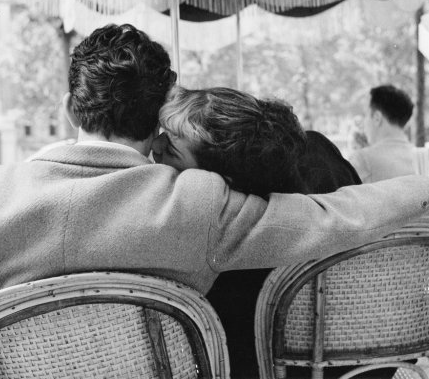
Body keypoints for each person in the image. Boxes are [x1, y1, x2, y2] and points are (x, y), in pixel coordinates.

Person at [0, 23, 429, 303]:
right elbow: (334, 217)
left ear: (70, 110)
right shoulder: (199, 203)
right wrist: (427, 190)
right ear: (158, 121)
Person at [154, 85, 362, 377]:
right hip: (363, 357)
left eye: (173, 149)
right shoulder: (320, 154)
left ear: (219, 180)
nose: (157, 146)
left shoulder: (213, 234)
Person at [348, 85, 429, 183]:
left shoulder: (362, 160)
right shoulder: (424, 160)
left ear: (377, 118)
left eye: (366, 114)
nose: (364, 122)